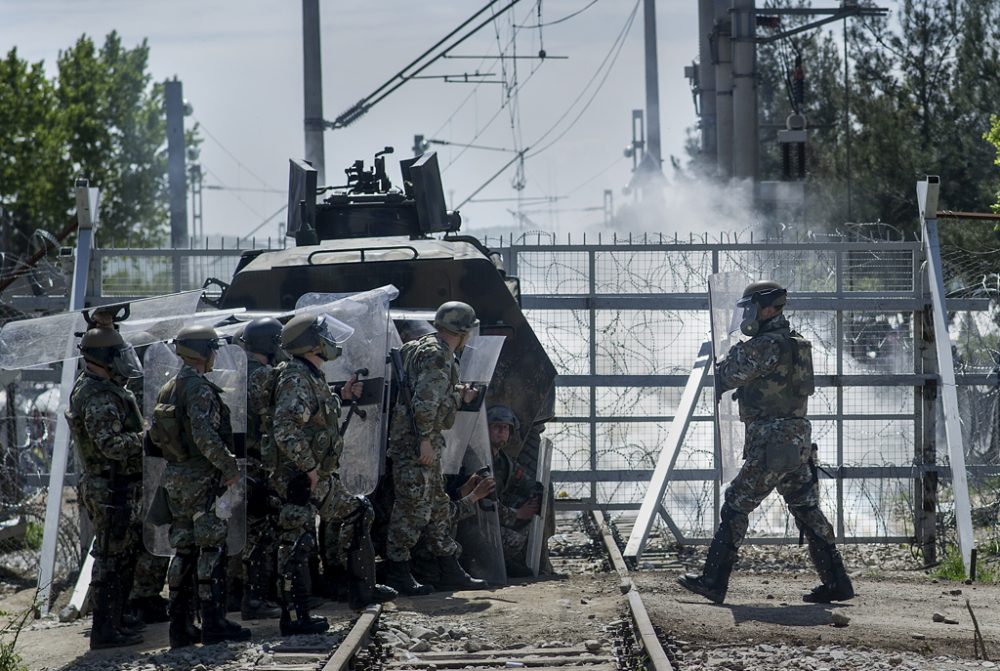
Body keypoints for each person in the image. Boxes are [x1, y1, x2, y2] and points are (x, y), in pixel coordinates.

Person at [677, 281, 854, 605]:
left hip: (773, 445)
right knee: (807, 508)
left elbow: (727, 375)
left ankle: (713, 581)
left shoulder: (765, 345)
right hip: (796, 442)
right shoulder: (795, 343)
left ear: (769, 309)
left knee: (736, 503)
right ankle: (837, 583)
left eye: (751, 309)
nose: (747, 316)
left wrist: (730, 353)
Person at [384, 301, 488, 595]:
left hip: (416, 439)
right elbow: (425, 402)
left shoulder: (422, 347)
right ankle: (397, 571)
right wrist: (425, 440)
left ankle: (449, 567)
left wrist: (457, 394)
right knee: (411, 508)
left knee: (438, 505)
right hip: (417, 443)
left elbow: (427, 390)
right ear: (463, 330)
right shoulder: (439, 354)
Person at [157, 325, 250, 647]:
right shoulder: (198, 389)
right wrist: (229, 466)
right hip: (200, 479)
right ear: (203, 350)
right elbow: (205, 436)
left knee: (183, 549)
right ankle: (214, 622)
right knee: (211, 548)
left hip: (176, 478)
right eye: (213, 348)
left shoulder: (169, 387)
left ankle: (180, 627)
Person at [272, 313, 356, 634]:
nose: (328, 340)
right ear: (311, 344)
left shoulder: (312, 375)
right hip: (297, 479)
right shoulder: (296, 377)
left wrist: (341, 396)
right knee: (294, 544)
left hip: (313, 477)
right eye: (322, 335)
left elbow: (315, 415)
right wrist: (308, 467)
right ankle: (294, 618)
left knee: (357, 512)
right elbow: (285, 426)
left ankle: (360, 591)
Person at [66, 327, 145, 649]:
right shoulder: (97, 394)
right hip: (108, 486)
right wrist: (145, 438)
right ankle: (104, 628)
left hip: (118, 484)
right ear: (103, 358)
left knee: (124, 554)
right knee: (111, 558)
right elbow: (110, 445)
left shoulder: (105, 387)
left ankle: (117, 616)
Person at [237, 318, 284, 620]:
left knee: (244, 534)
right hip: (259, 463)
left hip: (240, 462)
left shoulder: (236, 373)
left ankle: (243, 595)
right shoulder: (265, 377)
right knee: (262, 534)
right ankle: (256, 599)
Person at [483, 405, 541, 577]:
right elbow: (486, 505)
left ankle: (502, 562)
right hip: (474, 525)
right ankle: (492, 565)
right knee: (515, 538)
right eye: (497, 427)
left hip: (491, 520)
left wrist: (535, 494)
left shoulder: (503, 461)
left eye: (506, 428)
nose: (502, 431)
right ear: (486, 430)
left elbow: (524, 481)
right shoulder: (479, 460)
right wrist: (517, 514)